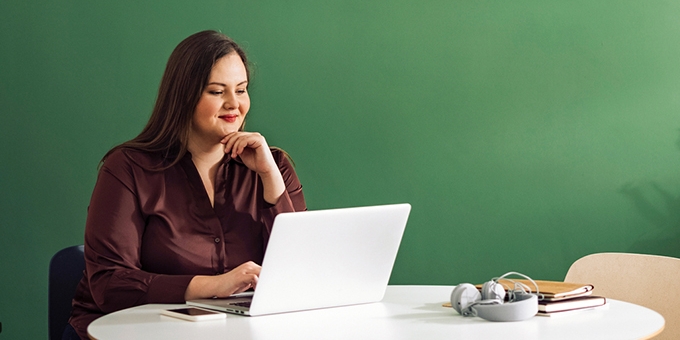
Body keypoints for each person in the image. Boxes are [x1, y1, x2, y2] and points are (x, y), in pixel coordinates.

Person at [65, 30, 306, 339]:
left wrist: (271, 180)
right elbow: (109, 284)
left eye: (242, 90)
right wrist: (213, 286)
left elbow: (300, 276)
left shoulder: (272, 166)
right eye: (217, 92)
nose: (234, 104)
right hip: (127, 331)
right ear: (184, 95)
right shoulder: (127, 169)